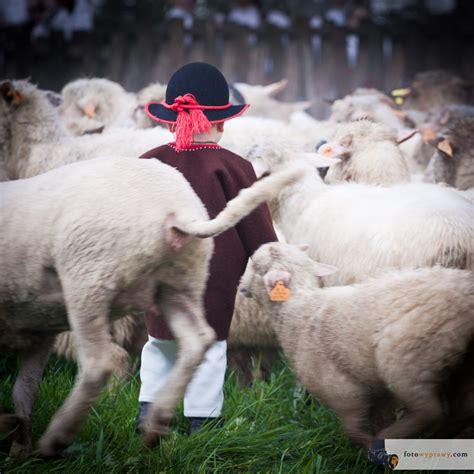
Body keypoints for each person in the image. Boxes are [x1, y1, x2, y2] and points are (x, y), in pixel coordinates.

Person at [137, 62, 278, 434]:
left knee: (159, 344)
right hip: (212, 279)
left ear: (170, 121)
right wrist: (272, 262)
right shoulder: (235, 166)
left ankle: (149, 417)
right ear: (222, 122)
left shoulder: (149, 162)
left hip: (159, 272)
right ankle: (202, 424)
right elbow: (257, 229)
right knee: (209, 349)